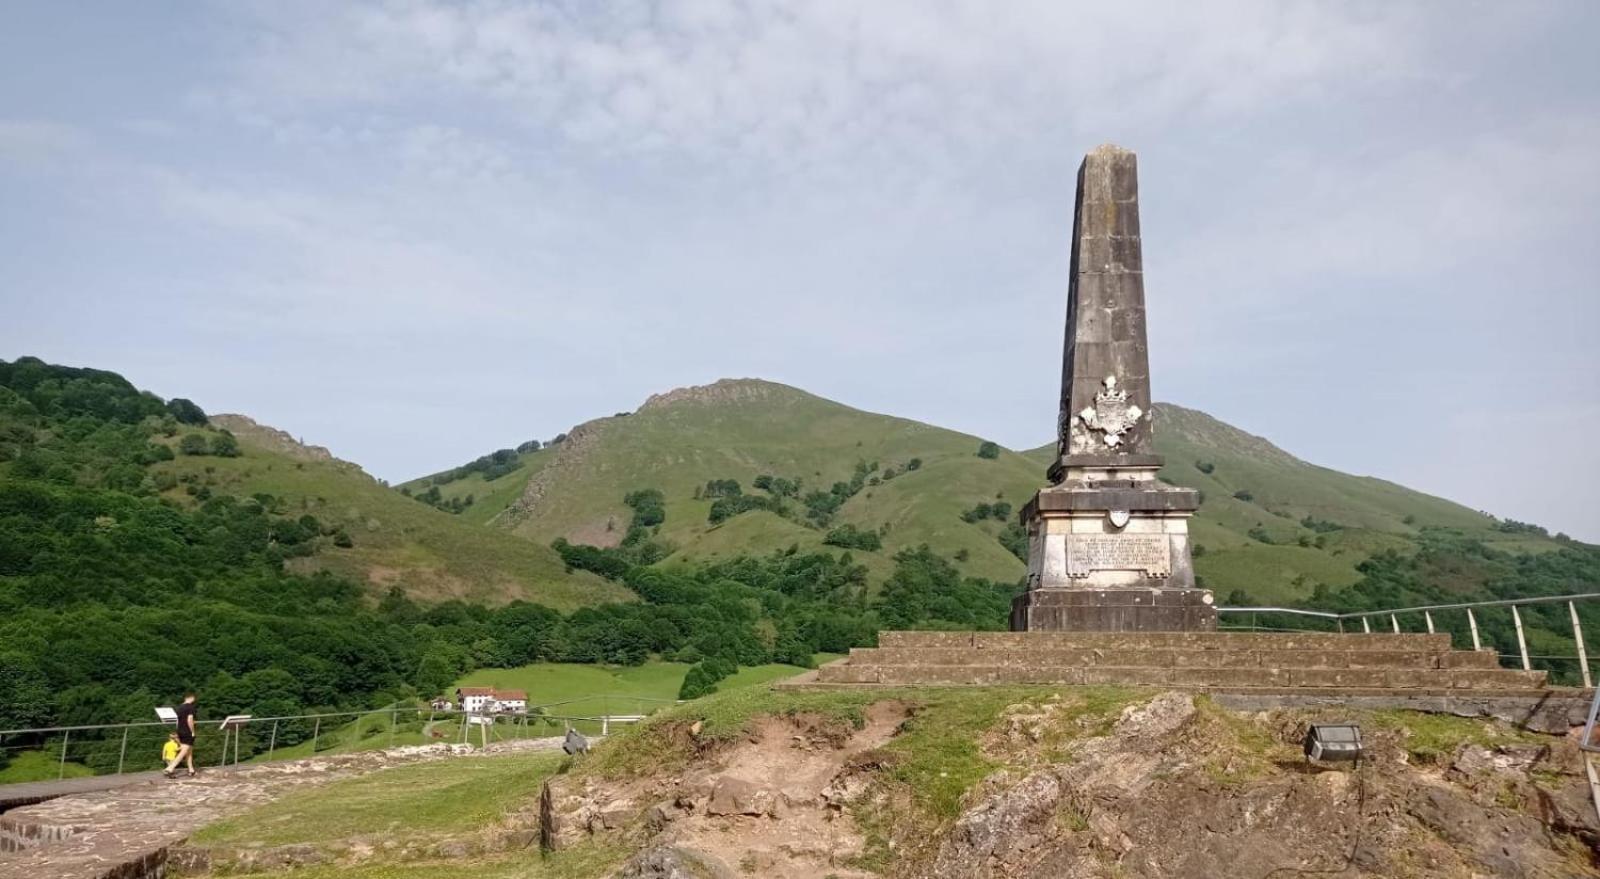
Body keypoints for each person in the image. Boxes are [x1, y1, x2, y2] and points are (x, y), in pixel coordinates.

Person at [165, 692, 198, 778]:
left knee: (189, 750)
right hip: (187, 731)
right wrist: (192, 731)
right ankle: (170, 768)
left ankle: (191, 770)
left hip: (180, 730)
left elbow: (177, 721)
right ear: (192, 698)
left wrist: (177, 730)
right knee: (184, 750)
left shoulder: (179, 707)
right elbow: (190, 720)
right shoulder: (191, 707)